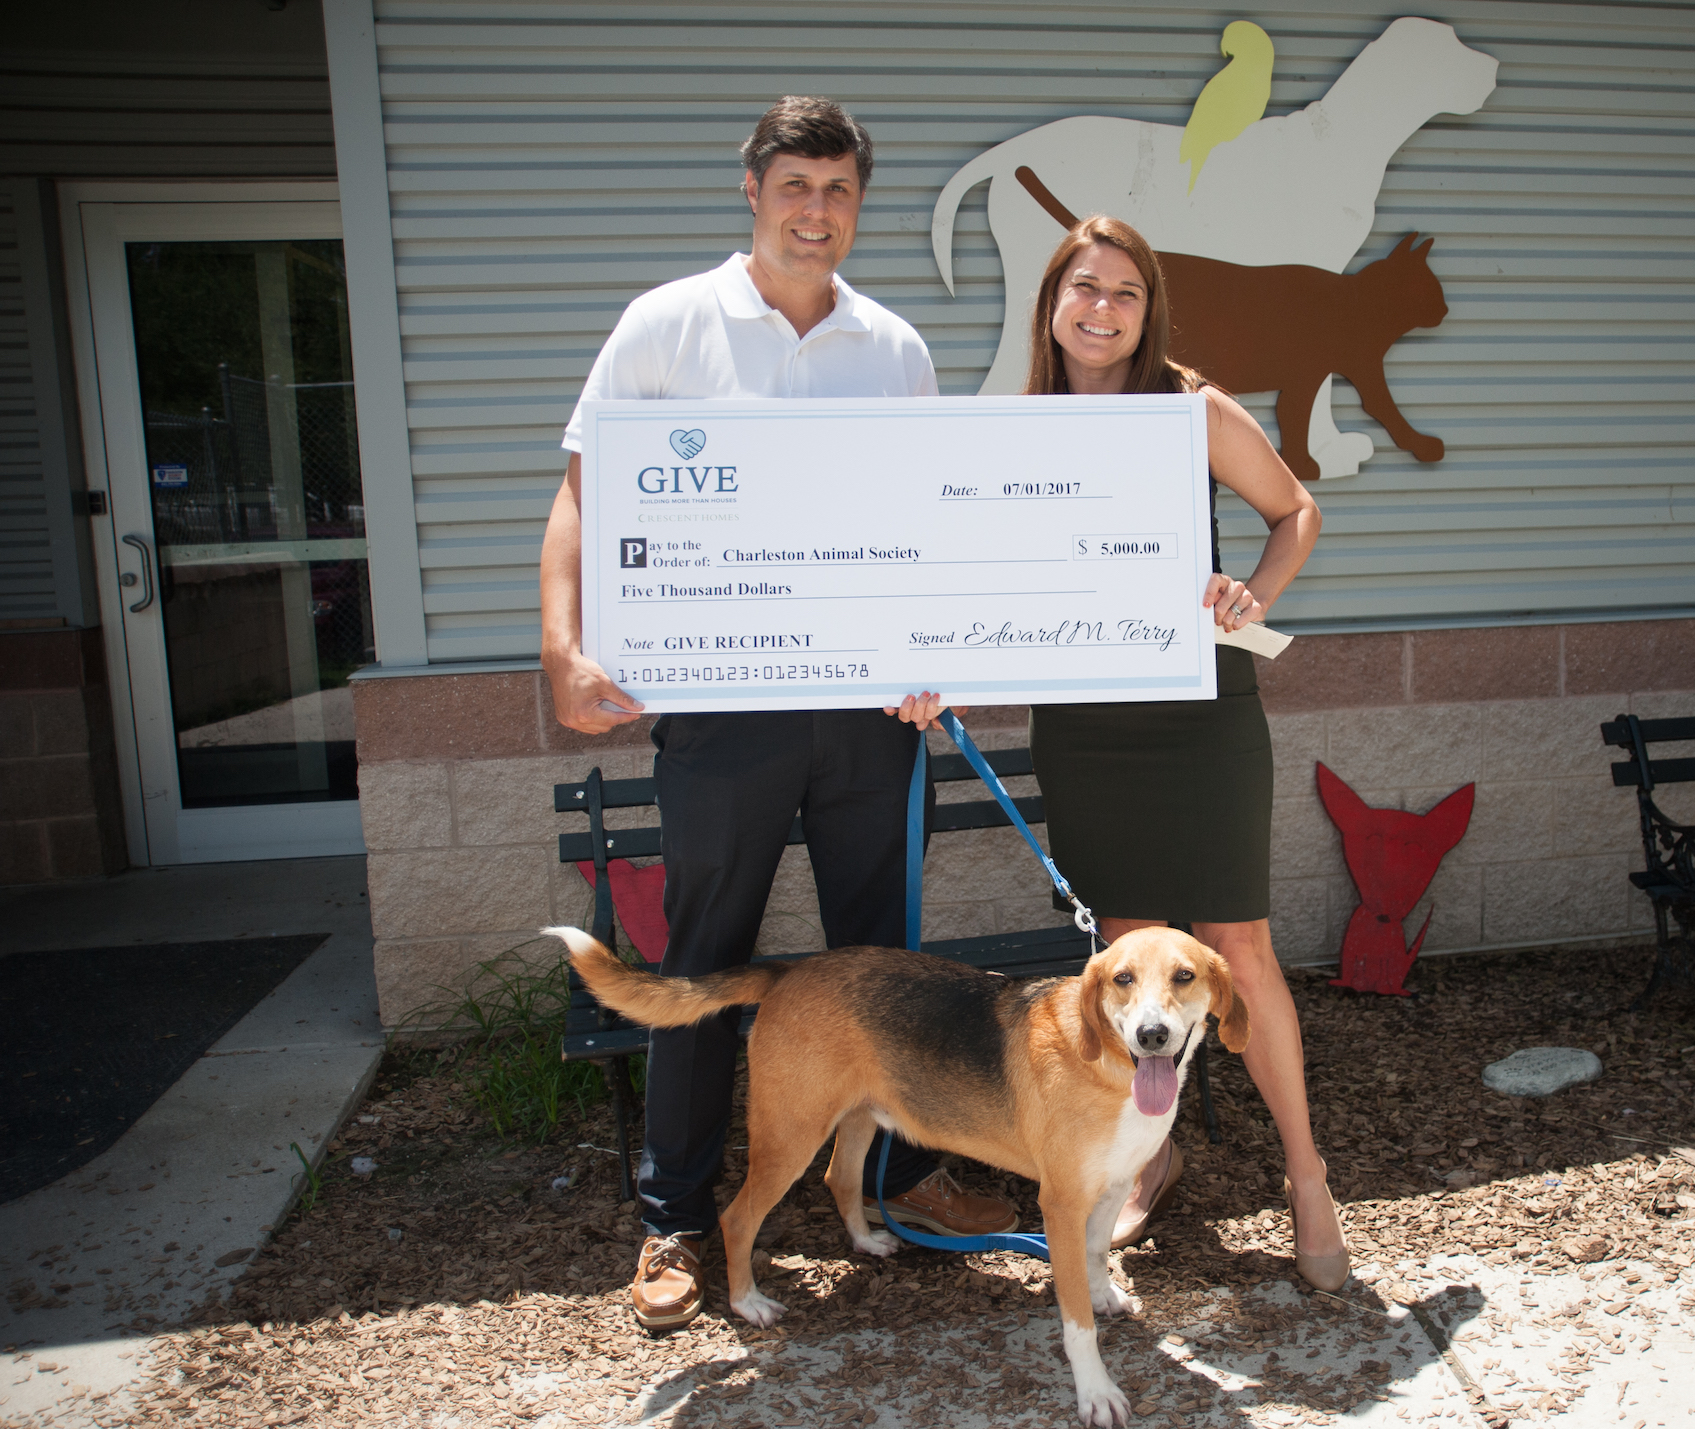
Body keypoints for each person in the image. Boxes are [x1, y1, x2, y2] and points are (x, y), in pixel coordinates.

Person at [539, 96, 1015, 1333]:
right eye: (794, 185)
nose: (817, 211)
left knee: (884, 969)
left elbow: (923, 531)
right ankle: (673, 1223)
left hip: (867, 720)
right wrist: (563, 646)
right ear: (750, 191)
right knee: (703, 961)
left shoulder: (893, 349)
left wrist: (935, 654)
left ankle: (892, 1187)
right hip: (722, 717)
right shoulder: (664, 326)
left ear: (860, 206)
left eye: (839, 191)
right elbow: (584, 496)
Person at [1019, 215, 1348, 1291]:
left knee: (1236, 948)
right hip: (1085, 721)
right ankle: (1150, 1162)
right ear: (1051, 304)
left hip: (1200, 708)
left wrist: (1255, 591)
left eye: (1123, 291)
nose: (1101, 309)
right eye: (1083, 288)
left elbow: (1293, 509)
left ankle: (1305, 1174)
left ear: (1146, 307)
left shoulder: (1187, 409)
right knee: (1127, 957)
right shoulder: (1016, 428)